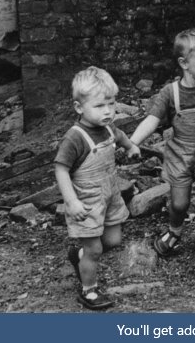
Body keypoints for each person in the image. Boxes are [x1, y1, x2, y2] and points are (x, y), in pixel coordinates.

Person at [130, 28, 195, 268]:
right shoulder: (170, 93)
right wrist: (133, 142)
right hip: (180, 158)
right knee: (179, 203)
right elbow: (152, 120)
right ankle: (174, 231)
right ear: (184, 63)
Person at [54, 66, 140, 310]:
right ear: (79, 107)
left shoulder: (109, 128)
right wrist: (71, 201)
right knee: (94, 249)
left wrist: (131, 147)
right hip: (87, 200)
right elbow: (61, 169)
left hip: (110, 194)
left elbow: (120, 137)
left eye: (111, 104)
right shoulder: (75, 137)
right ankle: (89, 290)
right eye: (100, 106)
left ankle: (78, 256)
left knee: (113, 240)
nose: (108, 112)